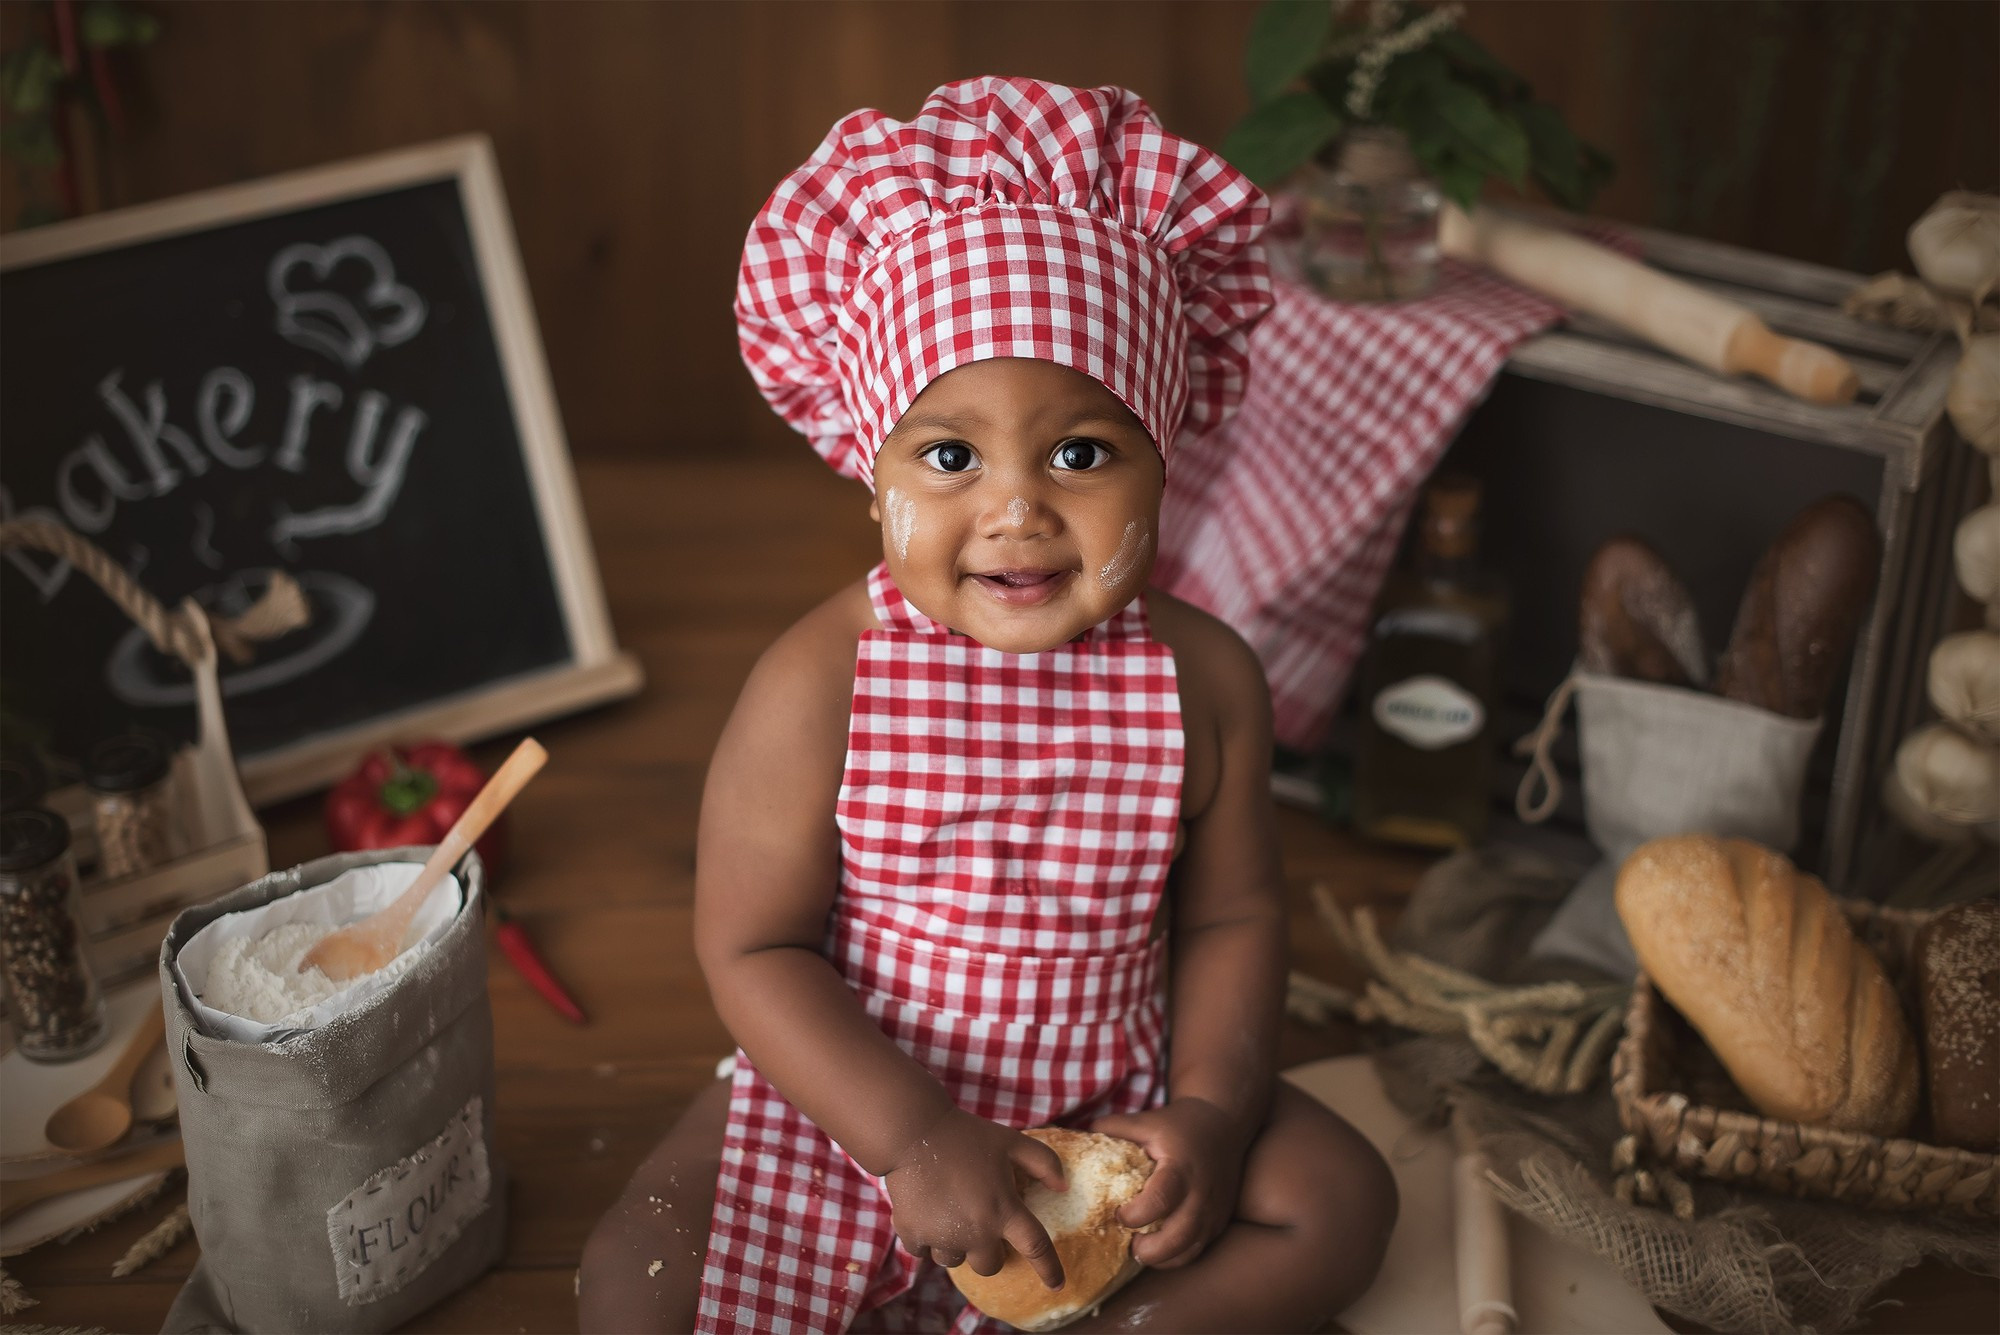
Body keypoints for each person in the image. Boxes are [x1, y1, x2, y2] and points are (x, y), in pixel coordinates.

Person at [581, 77, 1396, 1335]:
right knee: (633, 1283)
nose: (1015, 510)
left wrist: (1212, 1118)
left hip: (1109, 1110)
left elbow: (1231, 918)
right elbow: (753, 948)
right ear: (872, 473)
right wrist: (909, 1141)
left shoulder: (1204, 678)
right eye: (949, 457)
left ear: (1161, 460)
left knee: (1339, 1200)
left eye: (1081, 453)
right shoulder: (821, 679)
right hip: (857, 1100)